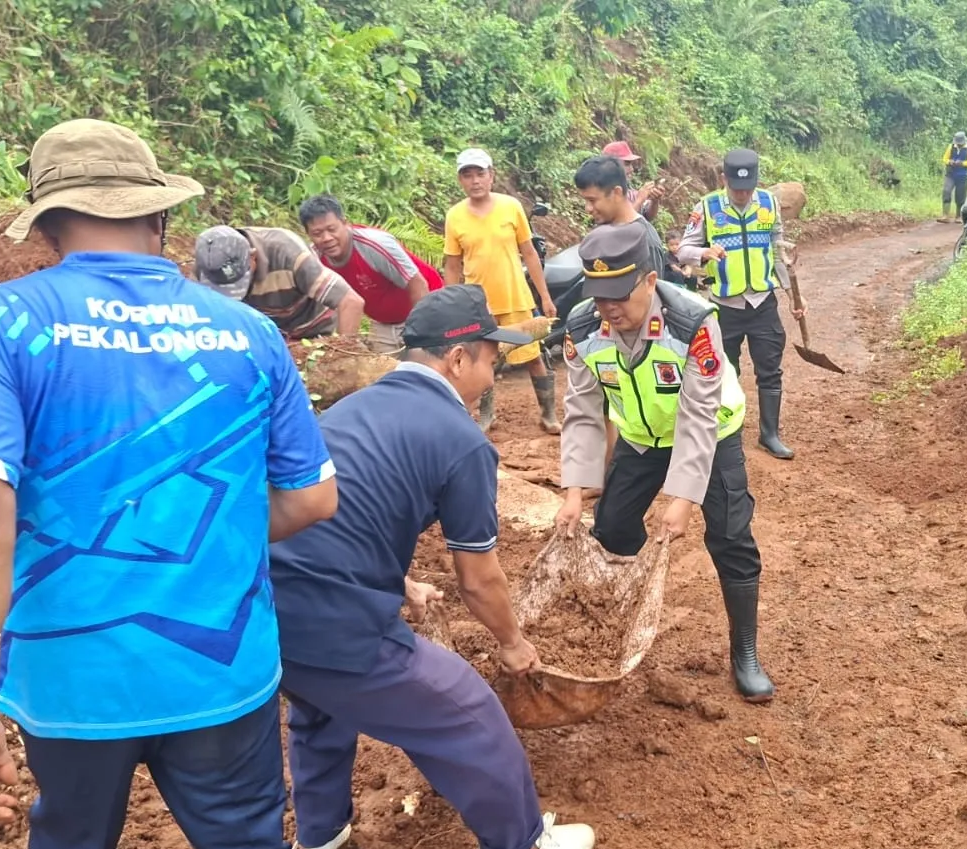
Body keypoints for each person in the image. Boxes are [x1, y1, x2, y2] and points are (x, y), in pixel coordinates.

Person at [0, 118, 338, 849]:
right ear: (160, 215)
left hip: (70, 678)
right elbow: (313, 495)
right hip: (221, 668)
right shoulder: (250, 332)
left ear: (47, 225)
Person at [269, 284, 597, 849]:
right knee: (467, 708)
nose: (494, 375)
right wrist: (513, 642)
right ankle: (517, 847)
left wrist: (400, 584)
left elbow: (346, 513)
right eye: (492, 360)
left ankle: (320, 834)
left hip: (265, 602)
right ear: (457, 358)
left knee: (320, 703)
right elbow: (478, 578)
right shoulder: (461, 440)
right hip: (334, 611)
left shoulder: (353, 409)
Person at [555, 221, 774, 703]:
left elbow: (697, 415)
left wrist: (683, 499)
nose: (609, 309)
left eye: (619, 295)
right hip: (642, 437)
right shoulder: (582, 327)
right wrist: (573, 491)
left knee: (730, 535)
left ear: (650, 281)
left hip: (711, 430)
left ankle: (745, 652)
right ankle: (629, 619)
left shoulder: (692, 323)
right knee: (611, 527)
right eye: (599, 297)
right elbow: (583, 410)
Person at [675, 148, 799, 461]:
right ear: (723, 179)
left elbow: (778, 251)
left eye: (748, 188)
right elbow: (683, 250)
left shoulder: (769, 203)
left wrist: (793, 294)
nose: (742, 194)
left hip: (762, 302)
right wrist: (704, 253)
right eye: (736, 188)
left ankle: (769, 434)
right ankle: (727, 433)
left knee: (770, 369)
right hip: (724, 305)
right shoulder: (706, 207)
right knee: (723, 370)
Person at [442, 148, 558, 434]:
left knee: (532, 356)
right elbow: (453, 266)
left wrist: (544, 296)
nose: (475, 180)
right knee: (481, 361)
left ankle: (548, 414)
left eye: (480, 173)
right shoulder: (455, 216)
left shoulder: (511, 207)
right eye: (467, 175)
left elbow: (529, 253)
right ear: (460, 180)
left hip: (515, 296)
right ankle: (487, 415)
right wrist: (450, 305)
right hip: (478, 303)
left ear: (491, 175)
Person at [298, 193, 445, 354]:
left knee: (430, 363)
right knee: (385, 367)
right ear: (308, 234)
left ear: (345, 223)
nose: (326, 238)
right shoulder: (314, 259)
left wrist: (422, 332)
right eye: (317, 233)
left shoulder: (374, 245)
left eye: (332, 229)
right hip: (383, 323)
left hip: (429, 304)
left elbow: (418, 284)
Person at [194, 223, 367, 341]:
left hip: (313, 332)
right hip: (265, 335)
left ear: (253, 256)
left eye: (240, 281)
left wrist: (342, 354)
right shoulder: (209, 262)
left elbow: (351, 302)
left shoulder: (288, 253)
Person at [601, 140, 662, 222]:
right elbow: (620, 223)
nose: (631, 169)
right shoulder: (602, 195)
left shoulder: (630, 193)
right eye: (627, 164)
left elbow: (648, 216)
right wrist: (640, 200)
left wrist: (655, 201)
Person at [941, 131, 967, 222]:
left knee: (960, 196)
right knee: (946, 191)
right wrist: (950, 162)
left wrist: (962, 163)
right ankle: (945, 215)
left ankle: (958, 216)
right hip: (950, 174)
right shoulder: (951, 146)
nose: (959, 145)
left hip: (962, 175)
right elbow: (945, 158)